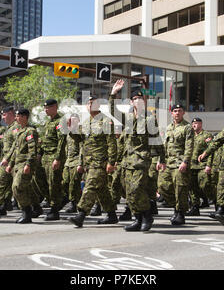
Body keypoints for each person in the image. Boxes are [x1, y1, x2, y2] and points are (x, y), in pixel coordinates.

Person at [110, 80, 166, 232]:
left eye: (141, 99)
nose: (139, 101)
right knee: (129, 193)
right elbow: (113, 111)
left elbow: (157, 140)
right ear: (131, 102)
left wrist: (162, 159)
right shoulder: (127, 118)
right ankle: (138, 218)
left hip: (141, 161)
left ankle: (147, 215)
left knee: (136, 190)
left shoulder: (149, 119)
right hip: (127, 162)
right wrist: (114, 93)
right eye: (135, 99)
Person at [68, 95, 118, 228]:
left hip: (100, 162)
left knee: (90, 187)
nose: (90, 105)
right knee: (101, 190)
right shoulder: (85, 122)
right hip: (89, 163)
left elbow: (112, 143)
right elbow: (80, 141)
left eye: (93, 103)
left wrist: (111, 162)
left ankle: (81, 214)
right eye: (88, 103)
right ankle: (112, 215)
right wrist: (72, 130)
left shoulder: (105, 121)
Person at [158, 104, 194, 226]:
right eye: (175, 111)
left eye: (179, 111)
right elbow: (164, 146)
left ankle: (180, 213)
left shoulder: (187, 128)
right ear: (171, 113)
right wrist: (160, 160)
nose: (177, 113)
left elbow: (189, 147)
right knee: (163, 185)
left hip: (180, 163)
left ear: (183, 113)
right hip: (168, 162)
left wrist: (185, 161)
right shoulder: (168, 128)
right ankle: (177, 206)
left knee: (180, 189)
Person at [5, 108, 39, 224]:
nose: (16, 118)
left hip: (25, 164)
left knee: (17, 187)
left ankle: (27, 211)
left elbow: (32, 150)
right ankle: (32, 209)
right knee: (24, 188)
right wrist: (10, 164)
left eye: (18, 116)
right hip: (17, 165)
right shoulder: (20, 131)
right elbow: (15, 150)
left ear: (25, 117)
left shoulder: (30, 131)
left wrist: (28, 164)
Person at [40, 99, 67, 221]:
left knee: (53, 184)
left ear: (55, 107)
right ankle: (57, 201)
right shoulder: (48, 123)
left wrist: (57, 159)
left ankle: (54, 209)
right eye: (45, 108)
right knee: (42, 183)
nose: (46, 110)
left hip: (54, 157)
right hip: (45, 157)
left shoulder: (61, 121)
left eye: (48, 107)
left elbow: (61, 142)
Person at [189, 118, 215, 215]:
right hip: (192, 166)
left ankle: (217, 203)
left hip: (202, 165)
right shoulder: (190, 136)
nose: (195, 125)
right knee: (192, 187)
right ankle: (195, 206)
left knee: (205, 185)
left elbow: (211, 150)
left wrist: (209, 165)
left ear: (201, 124)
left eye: (196, 123)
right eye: (193, 123)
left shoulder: (206, 135)